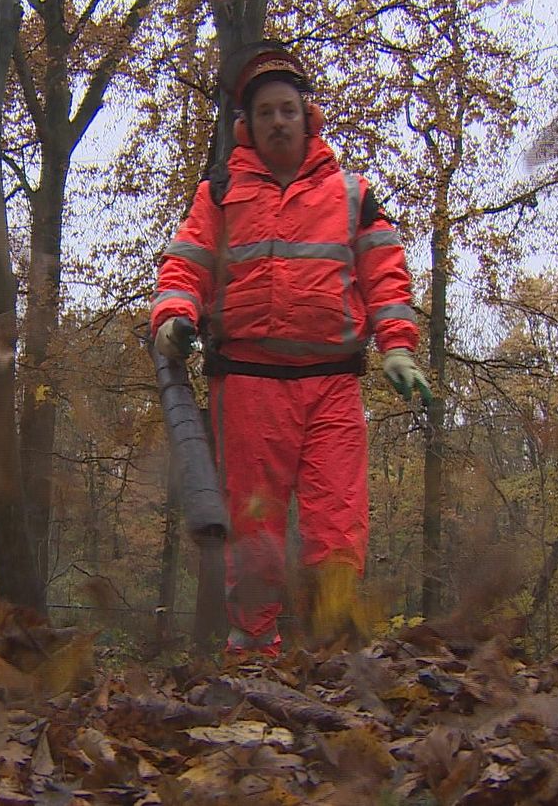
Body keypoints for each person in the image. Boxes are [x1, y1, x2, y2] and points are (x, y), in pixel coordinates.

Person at [149, 40, 432, 656]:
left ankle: (333, 654)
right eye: (266, 112)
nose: (279, 121)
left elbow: (386, 276)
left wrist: (399, 347)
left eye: (289, 109)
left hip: (333, 382)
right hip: (248, 384)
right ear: (246, 126)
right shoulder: (220, 193)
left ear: (309, 116)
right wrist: (174, 317)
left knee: (338, 523)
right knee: (255, 527)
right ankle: (253, 653)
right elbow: (186, 266)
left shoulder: (353, 195)